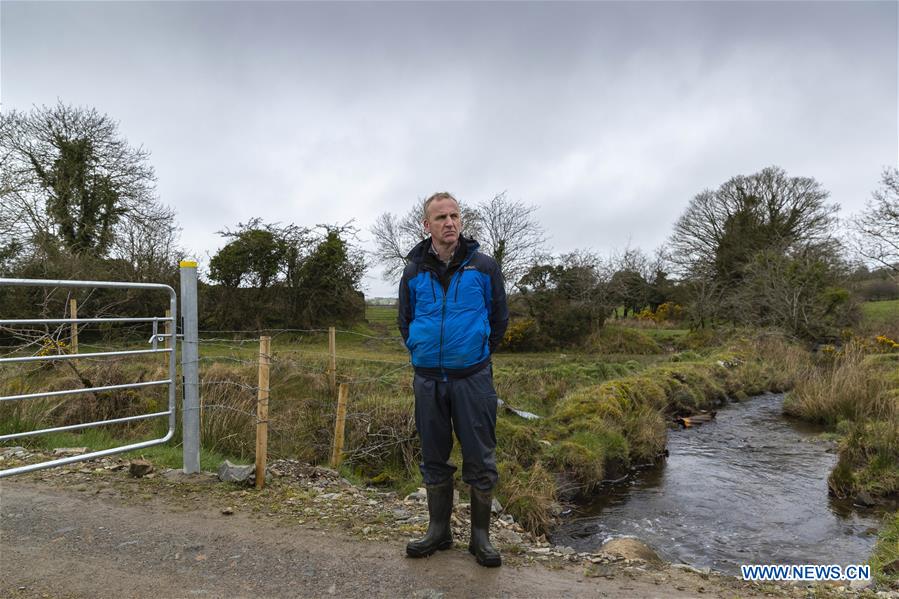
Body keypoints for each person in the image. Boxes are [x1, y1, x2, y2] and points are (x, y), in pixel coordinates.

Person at [397, 191, 509, 568]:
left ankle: (480, 538)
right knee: (433, 455)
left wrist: (477, 351)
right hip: (428, 380)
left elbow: (499, 319)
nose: (449, 222)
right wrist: (420, 348)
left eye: (454, 215)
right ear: (426, 225)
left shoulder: (484, 266)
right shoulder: (413, 271)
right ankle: (438, 531)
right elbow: (405, 320)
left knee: (480, 455)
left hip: (472, 379)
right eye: (441, 217)